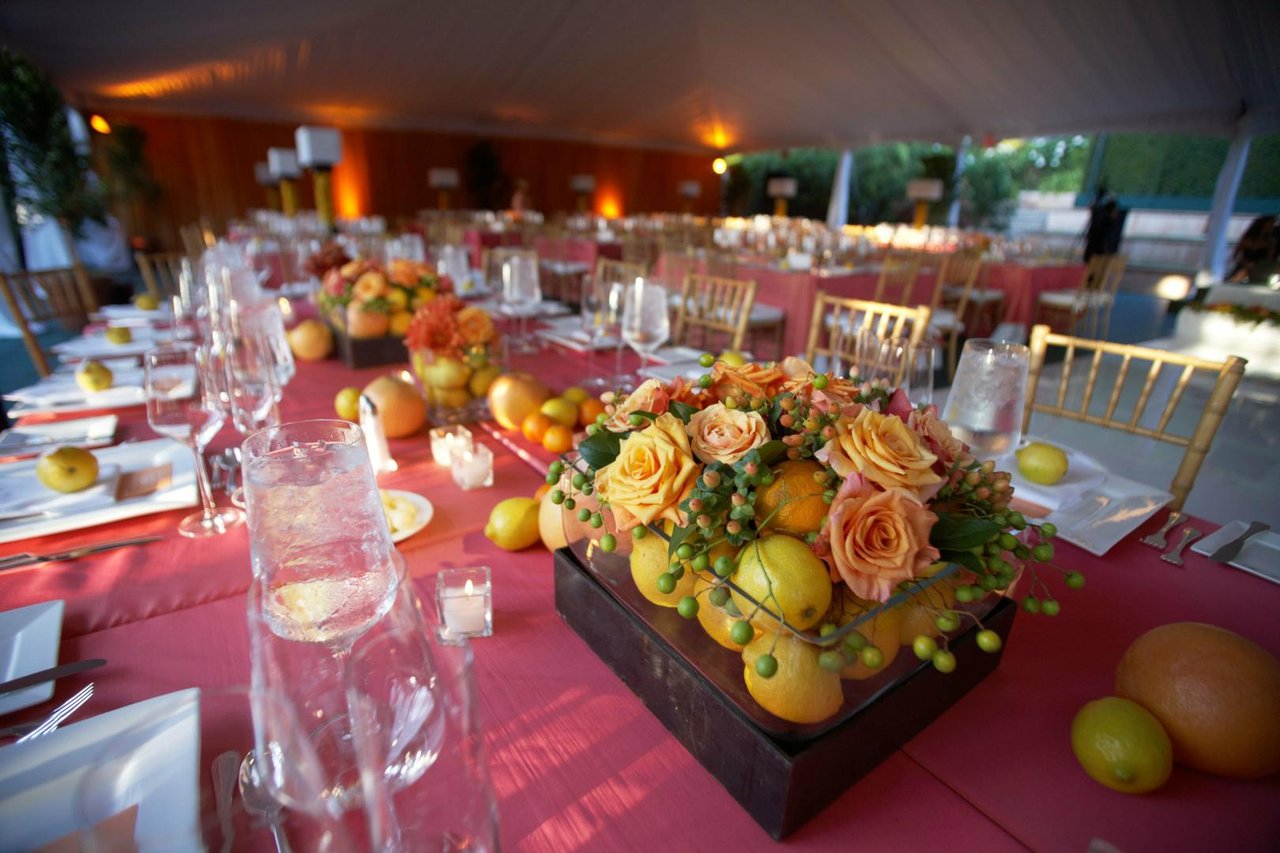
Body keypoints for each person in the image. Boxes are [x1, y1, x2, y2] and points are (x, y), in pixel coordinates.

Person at [1227, 214, 1278, 283]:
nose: (1271, 227)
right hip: (1244, 265)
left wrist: (1256, 265)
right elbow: (1235, 255)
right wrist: (1245, 263)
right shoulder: (1247, 240)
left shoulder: (1270, 243)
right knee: (1241, 272)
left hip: (1259, 268)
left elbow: (1269, 260)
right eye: (1269, 224)